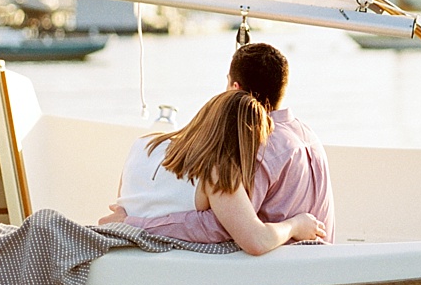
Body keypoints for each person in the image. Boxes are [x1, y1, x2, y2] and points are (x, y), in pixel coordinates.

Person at [99, 42, 335, 243]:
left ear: (234, 88)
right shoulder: (308, 135)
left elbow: (223, 227)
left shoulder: (255, 143)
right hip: (320, 260)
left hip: (276, 268)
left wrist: (131, 223)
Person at [106, 89, 325, 255]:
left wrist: (129, 223)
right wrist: (296, 225)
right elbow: (257, 241)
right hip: (162, 262)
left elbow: (124, 204)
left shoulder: (144, 144)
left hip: (120, 249)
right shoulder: (217, 171)